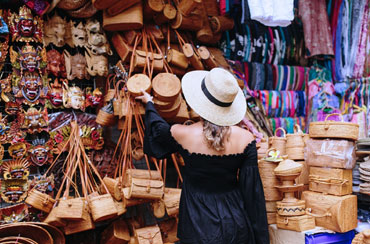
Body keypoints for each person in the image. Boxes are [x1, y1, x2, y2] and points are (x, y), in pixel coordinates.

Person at [136, 68, 269, 244]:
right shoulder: (246, 139)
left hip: (197, 223)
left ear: (200, 101)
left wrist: (150, 104)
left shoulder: (183, 134)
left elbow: (157, 131)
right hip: (235, 224)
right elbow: (253, 195)